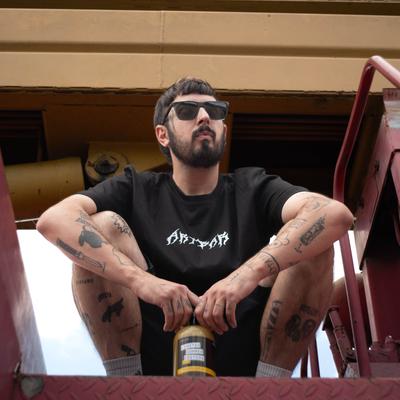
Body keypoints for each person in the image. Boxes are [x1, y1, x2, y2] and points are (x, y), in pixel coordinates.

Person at [37, 77, 353, 378]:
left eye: (215, 111)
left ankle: (272, 382)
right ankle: (126, 379)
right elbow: (55, 219)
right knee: (99, 225)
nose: (204, 117)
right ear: (163, 134)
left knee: (311, 236)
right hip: (154, 341)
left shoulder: (253, 187)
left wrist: (245, 276)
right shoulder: (136, 187)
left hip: (245, 346)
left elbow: (334, 214)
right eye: (187, 111)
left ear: (223, 130)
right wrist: (143, 282)